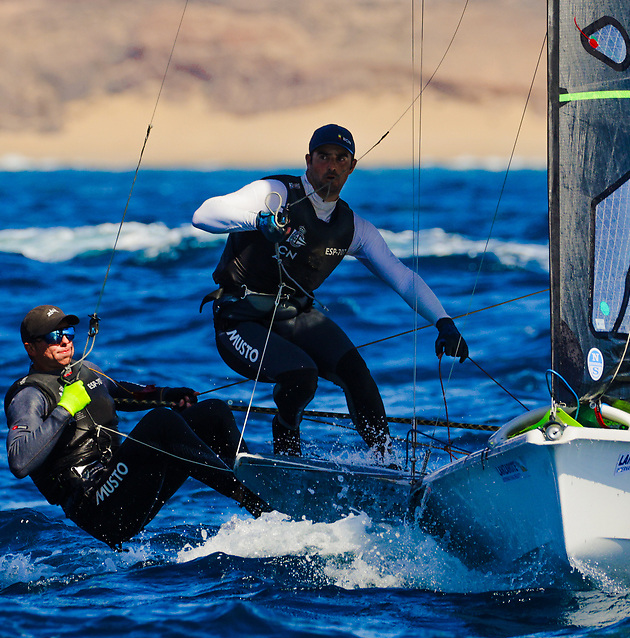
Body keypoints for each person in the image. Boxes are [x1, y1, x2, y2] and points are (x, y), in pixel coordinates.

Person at [192, 124, 468, 458]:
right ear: (309, 160)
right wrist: (259, 219)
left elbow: (403, 278)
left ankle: (385, 461)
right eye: (324, 157)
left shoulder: (354, 229)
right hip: (238, 319)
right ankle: (286, 437)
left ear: (351, 167)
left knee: (357, 374)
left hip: (292, 315)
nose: (331, 167)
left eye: (341, 159)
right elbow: (203, 215)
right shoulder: (275, 192)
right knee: (302, 374)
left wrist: (444, 322)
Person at [4, 304, 271, 550]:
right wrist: (64, 409)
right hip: (96, 505)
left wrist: (168, 395)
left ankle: (260, 487)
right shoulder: (29, 395)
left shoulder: (86, 371)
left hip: (123, 483)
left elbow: (123, 392)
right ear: (31, 348)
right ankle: (249, 495)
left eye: (69, 332)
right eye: (53, 336)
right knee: (160, 422)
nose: (65, 340)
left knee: (213, 411)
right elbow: (20, 463)